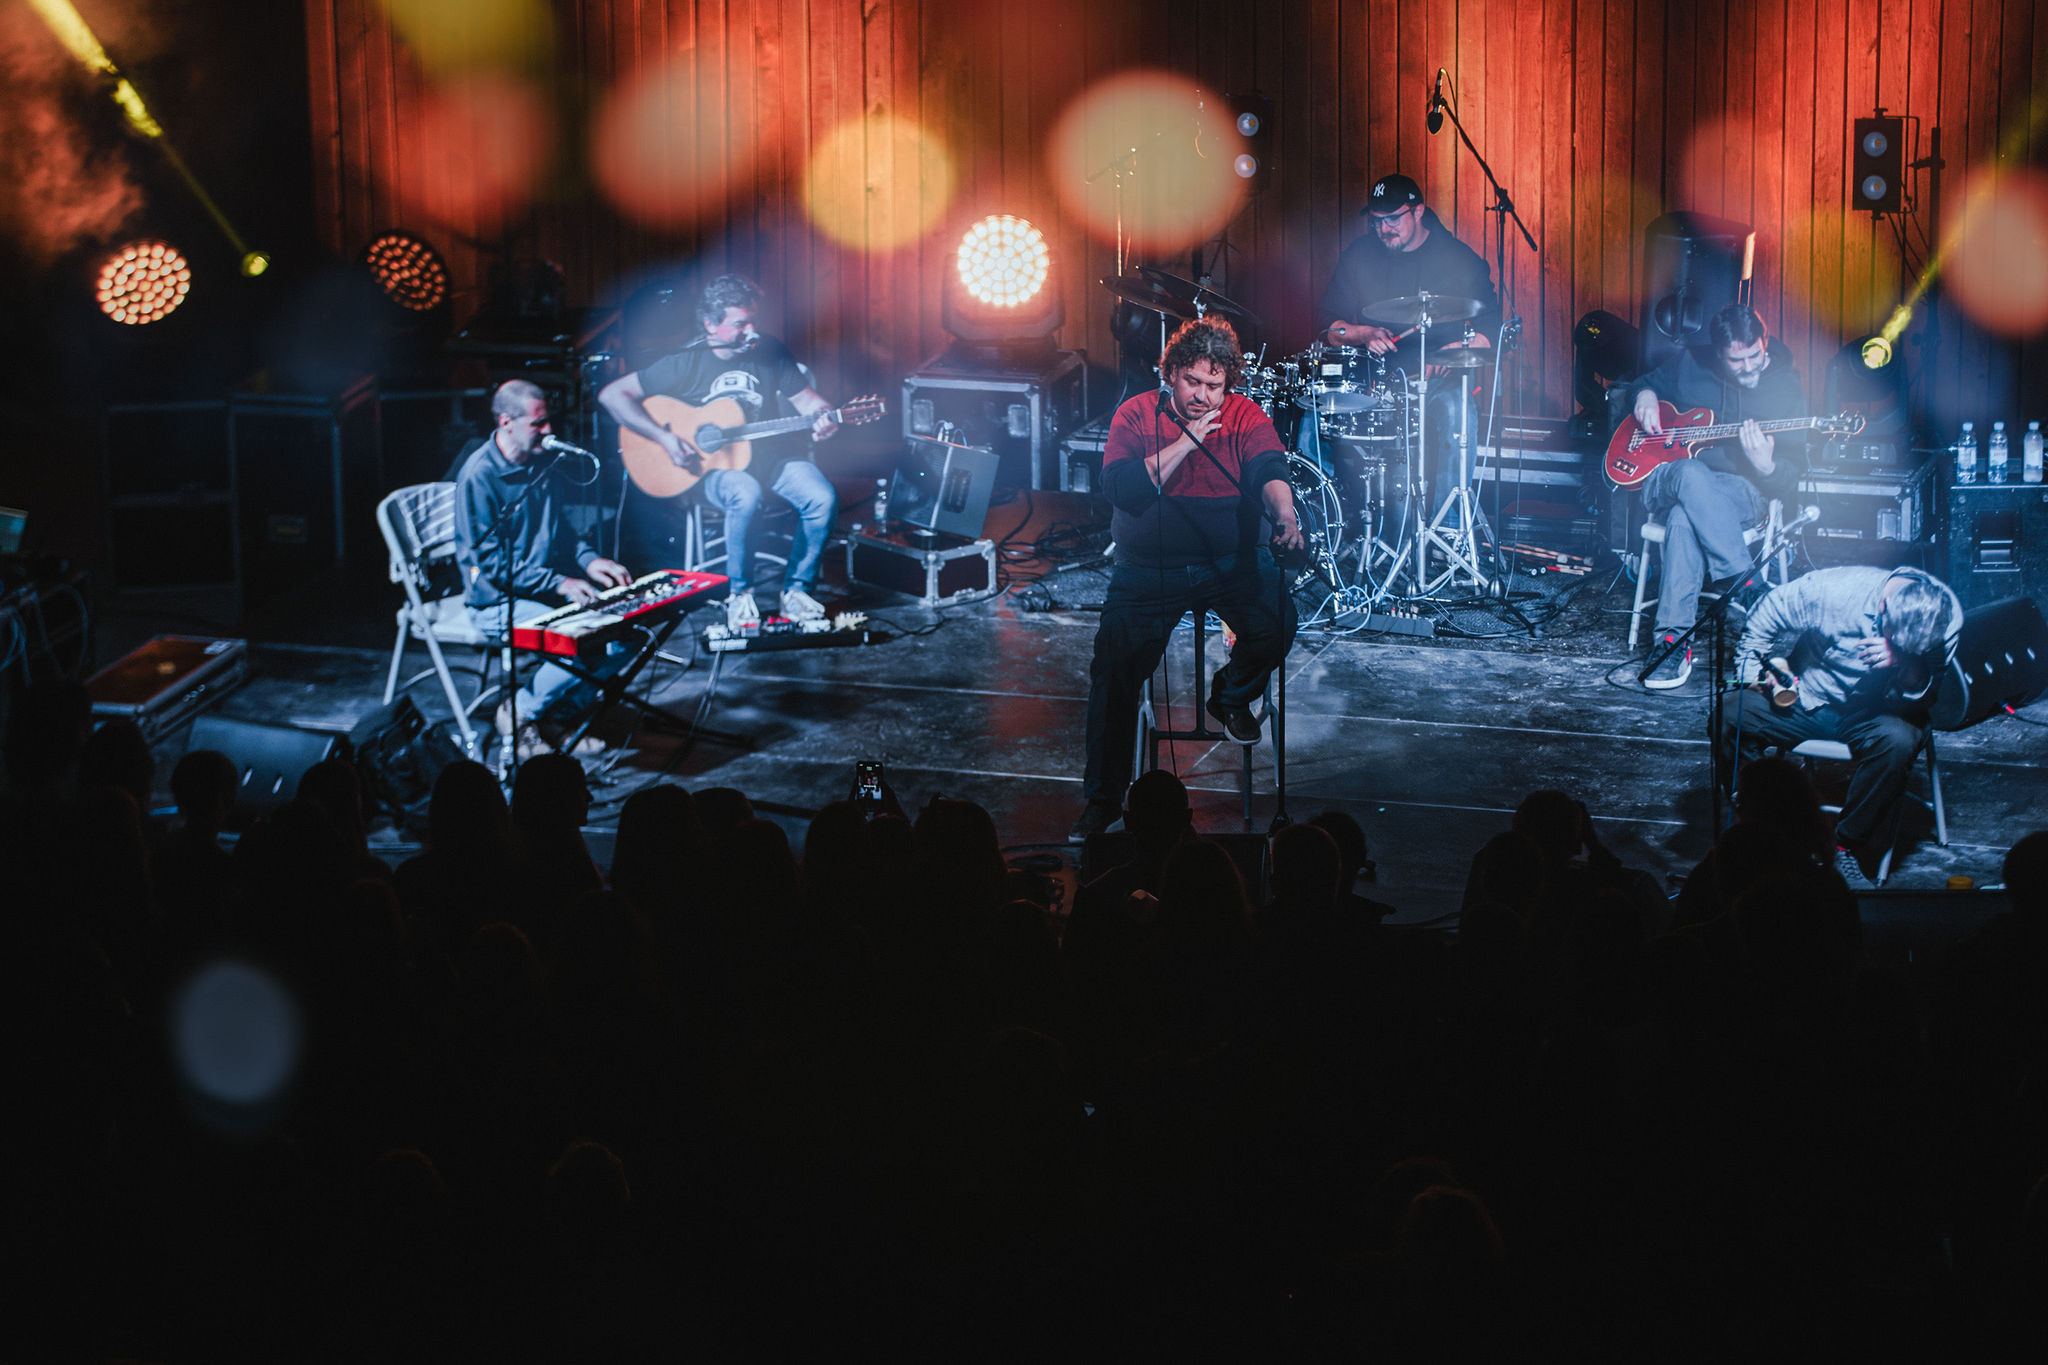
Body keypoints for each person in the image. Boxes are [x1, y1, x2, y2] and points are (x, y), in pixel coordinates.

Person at [1070, 318, 1304, 844]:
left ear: (1229, 385)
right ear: (1170, 374)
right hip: (1149, 567)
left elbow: (1270, 470)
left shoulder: (1244, 414)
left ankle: (1230, 695)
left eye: (1214, 386)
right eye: (1192, 382)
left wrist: (1286, 518)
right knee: (1114, 673)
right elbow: (1124, 491)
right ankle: (1102, 801)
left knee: (1276, 624)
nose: (1202, 396)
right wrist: (1186, 442)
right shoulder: (1135, 414)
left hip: (1231, 560)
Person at [600, 274, 840, 631]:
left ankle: (797, 591)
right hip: (711, 470)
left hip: (770, 460)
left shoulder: (769, 352)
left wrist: (826, 417)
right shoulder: (685, 362)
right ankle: (740, 595)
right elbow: (612, 395)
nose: (752, 331)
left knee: (822, 497)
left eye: (754, 320)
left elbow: (807, 401)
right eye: (740, 323)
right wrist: (665, 439)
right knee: (745, 493)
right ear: (711, 324)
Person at [1726, 565, 1961, 885]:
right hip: (1808, 698)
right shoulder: (1834, 591)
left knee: (1900, 741)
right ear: (1884, 609)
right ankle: (1764, 826)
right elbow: (1770, 608)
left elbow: (1927, 696)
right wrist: (1751, 671)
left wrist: (1904, 661)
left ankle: (1842, 847)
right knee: (1729, 714)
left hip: (1878, 712)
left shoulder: (1946, 618)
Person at [453, 379, 633, 756]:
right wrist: (561, 582)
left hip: (541, 591)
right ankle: (519, 713)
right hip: (496, 601)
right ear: (506, 422)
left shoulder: (542, 464)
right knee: (576, 644)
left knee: (624, 638)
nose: (548, 430)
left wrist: (590, 560)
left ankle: (553, 719)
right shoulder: (479, 475)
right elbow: (492, 565)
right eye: (538, 424)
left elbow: (562, 533)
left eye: (547, 421)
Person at [1631, 303, 1807, 688]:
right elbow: (1644, 382)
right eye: (1735, 360)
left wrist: (1767, 467)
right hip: (1666, 475)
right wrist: (1644, 394)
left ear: (1765, 342)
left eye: (1754, 356)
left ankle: (1671, 643)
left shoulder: (1786, 389)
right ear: (1718, 354)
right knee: (1691, 475)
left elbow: (1790, 478)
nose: (1747, 367)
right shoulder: (1690, 362)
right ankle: (1746, 584)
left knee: (1683, 518)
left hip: (1740, 493)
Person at [1318, 172, 1499, 541]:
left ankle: (1447, 535)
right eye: (1377, 221)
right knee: (1316, 413)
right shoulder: (1359, 255)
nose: (1384, 229)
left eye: (1393, 219)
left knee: (1456, 411)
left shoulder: (1457, 258)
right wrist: (1362, 333)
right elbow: (1329, 327)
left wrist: (1458, 351)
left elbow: (1492, 325)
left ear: (1418, 212)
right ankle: (1327, 531)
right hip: (1373, 380)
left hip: (1435, 383)